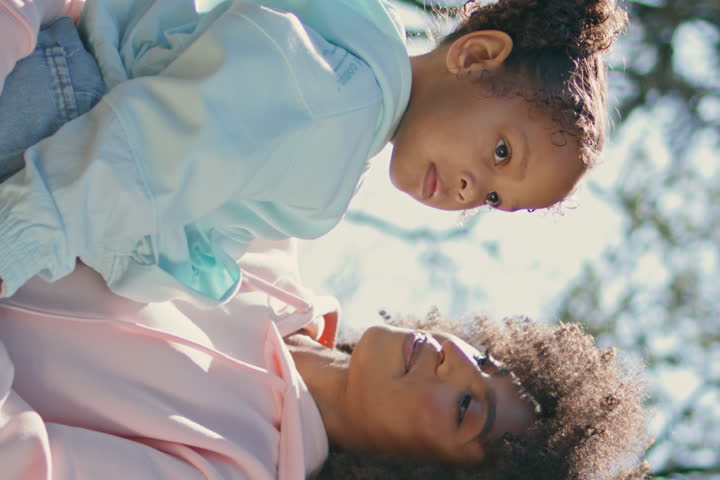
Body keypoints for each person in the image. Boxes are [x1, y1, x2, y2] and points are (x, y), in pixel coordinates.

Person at [0, 0, 628, 306]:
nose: (472, 191)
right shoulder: (339, 105)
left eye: (495, 199)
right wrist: (18, 241)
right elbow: (153, 151)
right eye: (499, 151)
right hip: (60, 121)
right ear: (475, 57)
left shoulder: (354, 68)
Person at [0, 240, 651, 479]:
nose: (454, 360)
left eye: (466, 407)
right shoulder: (272, 244)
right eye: (485, 360)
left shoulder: (239, 467)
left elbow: (22, 461)